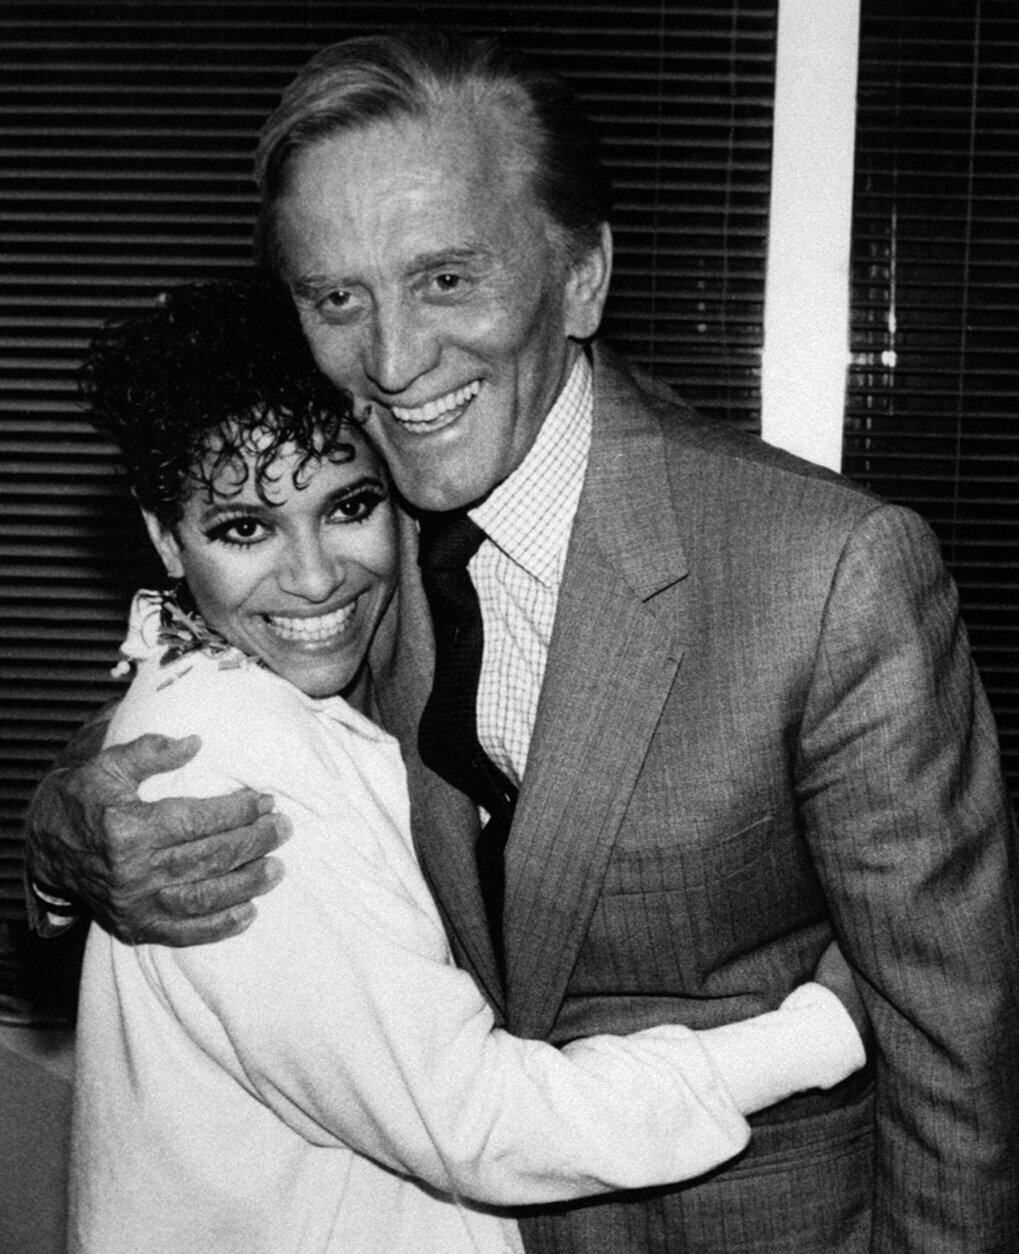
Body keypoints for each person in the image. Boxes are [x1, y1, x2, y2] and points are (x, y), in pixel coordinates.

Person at [27, 27, 1019, 1254]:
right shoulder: (347, 523)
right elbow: (222, 704)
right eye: (337, 298)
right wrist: (64, 835)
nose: (393, 361)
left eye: (447, 279)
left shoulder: (826, 570)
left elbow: (953, 1045)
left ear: (581, 279)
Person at [68, 276, 865, 1254]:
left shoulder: (272, 676)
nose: (314, 577)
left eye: (348, 506)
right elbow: (482, 1124)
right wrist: (825, 1027)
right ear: (163, 536)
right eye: (245, 528)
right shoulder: (227, 774)